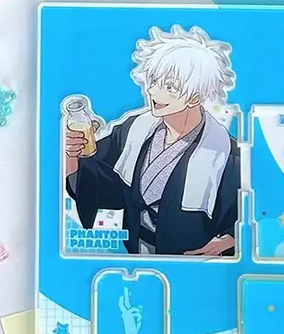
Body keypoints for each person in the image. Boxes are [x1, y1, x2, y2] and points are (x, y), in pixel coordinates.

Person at [65, 25, 240, 256]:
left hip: (189, 259)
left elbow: (248, 210)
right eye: (154, 81)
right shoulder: (134, 129)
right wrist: (74, 153)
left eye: (170, 87)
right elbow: (99, 180)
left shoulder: (226, 154)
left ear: (195, 97)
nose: (154, 92)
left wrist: (228, 241)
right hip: (135, 249)